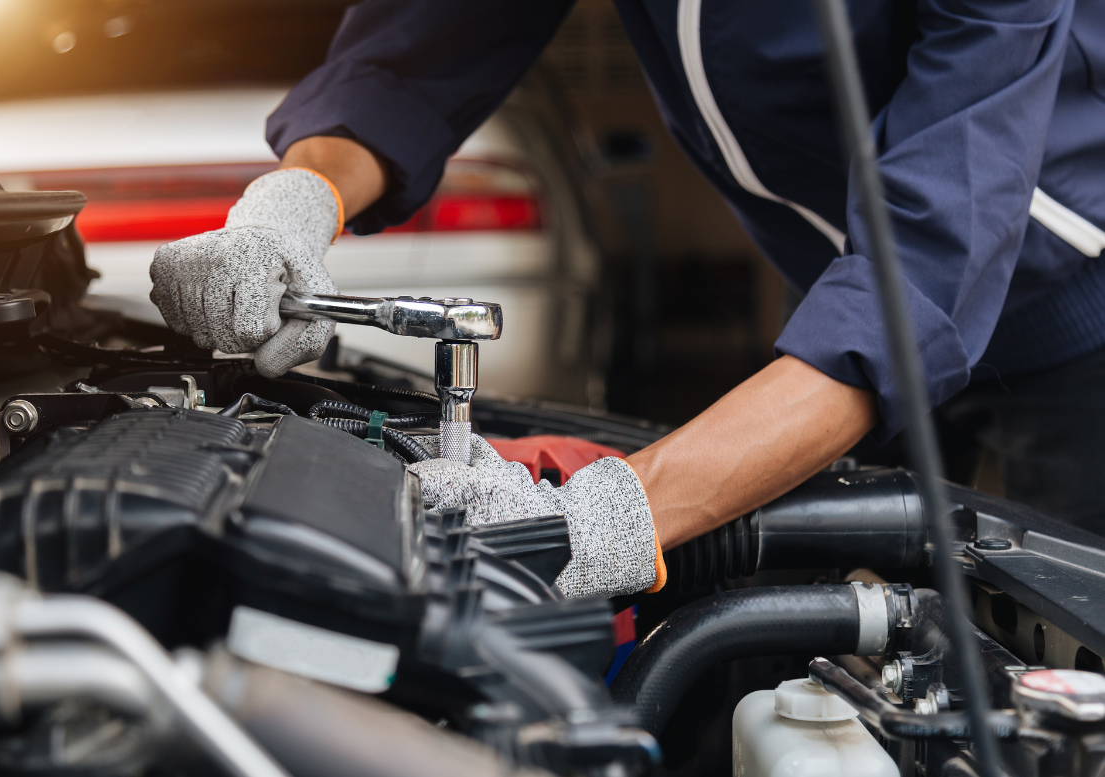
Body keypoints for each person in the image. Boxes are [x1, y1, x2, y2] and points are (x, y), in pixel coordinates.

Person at [150, 0, 1105, 598]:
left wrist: (605, 513)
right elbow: (411, 53)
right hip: (834, 296)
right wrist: (292, 206)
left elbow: (925, 274)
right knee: (795, 643)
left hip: (1070, 299)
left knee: (1068, 645)